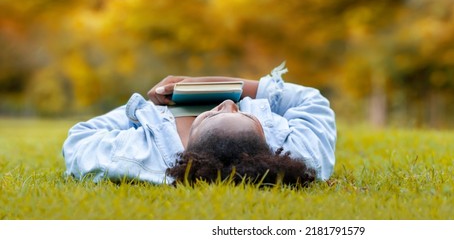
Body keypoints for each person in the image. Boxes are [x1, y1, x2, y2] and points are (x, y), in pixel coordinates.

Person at [62, 63, 336, 186]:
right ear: (265, 141)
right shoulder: (300, 158)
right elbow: (312, 100)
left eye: (212, 114)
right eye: (244, 114)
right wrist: (224, 85)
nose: (229, 102)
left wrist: (149, 110)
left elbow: (79, 140)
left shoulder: (139, 156)